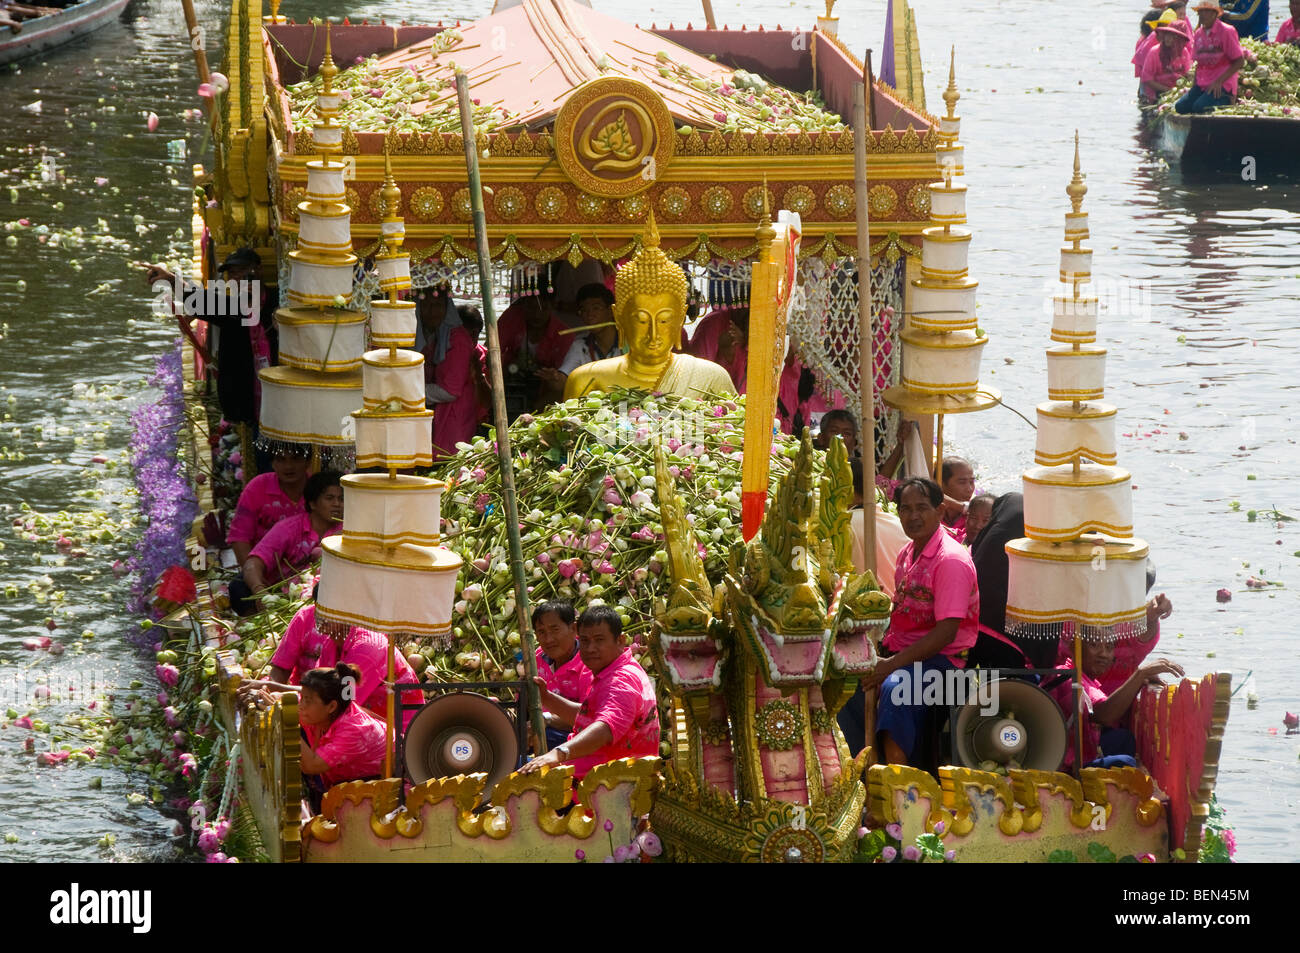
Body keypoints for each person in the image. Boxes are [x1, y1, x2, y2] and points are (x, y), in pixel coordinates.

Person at [860, 477, 980, 766]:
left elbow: (946, 633)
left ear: (939, 512)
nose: (913, 516)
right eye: (905, 509)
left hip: (945, 664)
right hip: (906, 654)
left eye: (922, 508)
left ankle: (898, 784)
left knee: (895, 688)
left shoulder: (950, 560)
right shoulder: (907, 552)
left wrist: (890, 665)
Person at [562, 220, 736, 400]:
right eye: (642, 320)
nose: (653, 334)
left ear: (681, 318)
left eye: (664, 320)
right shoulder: (588, 380)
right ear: (618, 317)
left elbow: (733, 426)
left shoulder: (711, 378)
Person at [518, 605, 659, 780]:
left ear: (621, 641)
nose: (590, 648)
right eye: (585, 641)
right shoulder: (608, 672)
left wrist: (557, 754)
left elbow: (606, 727)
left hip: (609, 787)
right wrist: (546, 698)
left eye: (599, 640)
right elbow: (588, 717)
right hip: (593, 778)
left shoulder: (621, 680)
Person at [238, 596, 424, 729]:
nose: (321, 617)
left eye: (330, 609)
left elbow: (340, 704)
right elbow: (319, 692)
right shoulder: (330, 642)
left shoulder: (369, 646)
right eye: (320, 609)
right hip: (350, 721)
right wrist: (270, 689)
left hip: (395, 735)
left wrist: (277, 695)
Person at [144, 248, 273, 431]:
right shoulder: (232, 307)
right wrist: (172, 280)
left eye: (243, 271)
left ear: (257, 271)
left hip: (275, 397)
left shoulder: (275, 303)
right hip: (245, 403)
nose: (238, 277)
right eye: (233, 273)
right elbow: (200, 301)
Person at [1049, 643, 1184, 770]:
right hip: (1061, 763)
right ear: (1074, 647)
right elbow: (1103, 716)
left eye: (1109, 648)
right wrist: (1140, 674)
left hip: (1081, 749)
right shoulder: (1067, 677)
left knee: (1123, 738)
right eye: (1094, 645)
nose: (1104, 654)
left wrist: (1139, 678)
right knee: (1126, 762)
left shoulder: (1078, 674)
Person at [230, 471, 343, 615]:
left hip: (324, 598)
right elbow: (253, 563)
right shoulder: (288, 528)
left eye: (341, 499)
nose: (337, 504)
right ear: (312, 503)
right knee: (239, 587)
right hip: (279, 595)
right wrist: (261, 592)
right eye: (330, 498)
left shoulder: (347, 530)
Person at [298, 663, 388, 809]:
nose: (301, 705)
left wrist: (288, 723)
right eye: (302, 698)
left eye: (307, 700)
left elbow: (311, 765)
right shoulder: (326, 710)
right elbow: (288, 701)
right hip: (352, 786)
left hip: (384, 789)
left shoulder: (354, 730)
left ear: (332, 706)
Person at [224, 449, 311, 565]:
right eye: (281, 460)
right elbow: (240, 537)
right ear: (272, 463)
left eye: (296, 459)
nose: (289, 466)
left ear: (308, 462)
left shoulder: (320, 489)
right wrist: (254, 576)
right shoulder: (258, 487)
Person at [528, 600, 594, 750]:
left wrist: (546, 719)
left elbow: (590, 717)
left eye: (554, 629)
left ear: (574, 628)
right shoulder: (536, 660)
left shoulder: (589, 663)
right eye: (541, 632)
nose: (548, 639)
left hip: (576, 739)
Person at [423, 296, 483, 459]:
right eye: (426, 304)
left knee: (448, 467)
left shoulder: (458, 340)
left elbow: (451, 390)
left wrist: (411, 393)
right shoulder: (439, 334)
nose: (432, 311)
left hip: (454, 419)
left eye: (438, 305)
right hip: (445, 416)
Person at [545, 284, 623, 391]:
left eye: (596, 308)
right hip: (594, 405)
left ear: (611, 311)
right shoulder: (580, 345)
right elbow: (563, 381)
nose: (589, 314)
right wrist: (555, 379)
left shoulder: (628, 342)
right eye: (584, 310)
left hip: (626, 405)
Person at [1175, 1, 1246, 114]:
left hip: (1222, 85)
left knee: (1199, 107)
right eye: (1201, 11)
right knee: (1181, 107)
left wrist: (1219, 82)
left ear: (1215, 13)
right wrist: (1194, 88)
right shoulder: (1198, 34)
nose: (1203, 14)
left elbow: (1239, 61)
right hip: (1203, 83)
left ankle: (1227, 100)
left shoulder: (1226, 31)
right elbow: (1199, 64)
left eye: (1207, 11)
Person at [1140, 15, 1195, 103]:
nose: (1168, 39)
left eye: (1173, 36)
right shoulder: (1155, 52)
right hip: (1156, 93)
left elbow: (1187, 74)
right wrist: (1168, 90)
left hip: (1176, 92)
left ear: (1180, 40)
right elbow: (1147, 79)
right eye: (1167, 35)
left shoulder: (1184, 52)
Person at [940, 455, 976, 539]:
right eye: (962, 482)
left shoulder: (977, 515)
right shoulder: (930, 513)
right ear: (942, 483)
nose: (970, 489)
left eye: (971, 482)